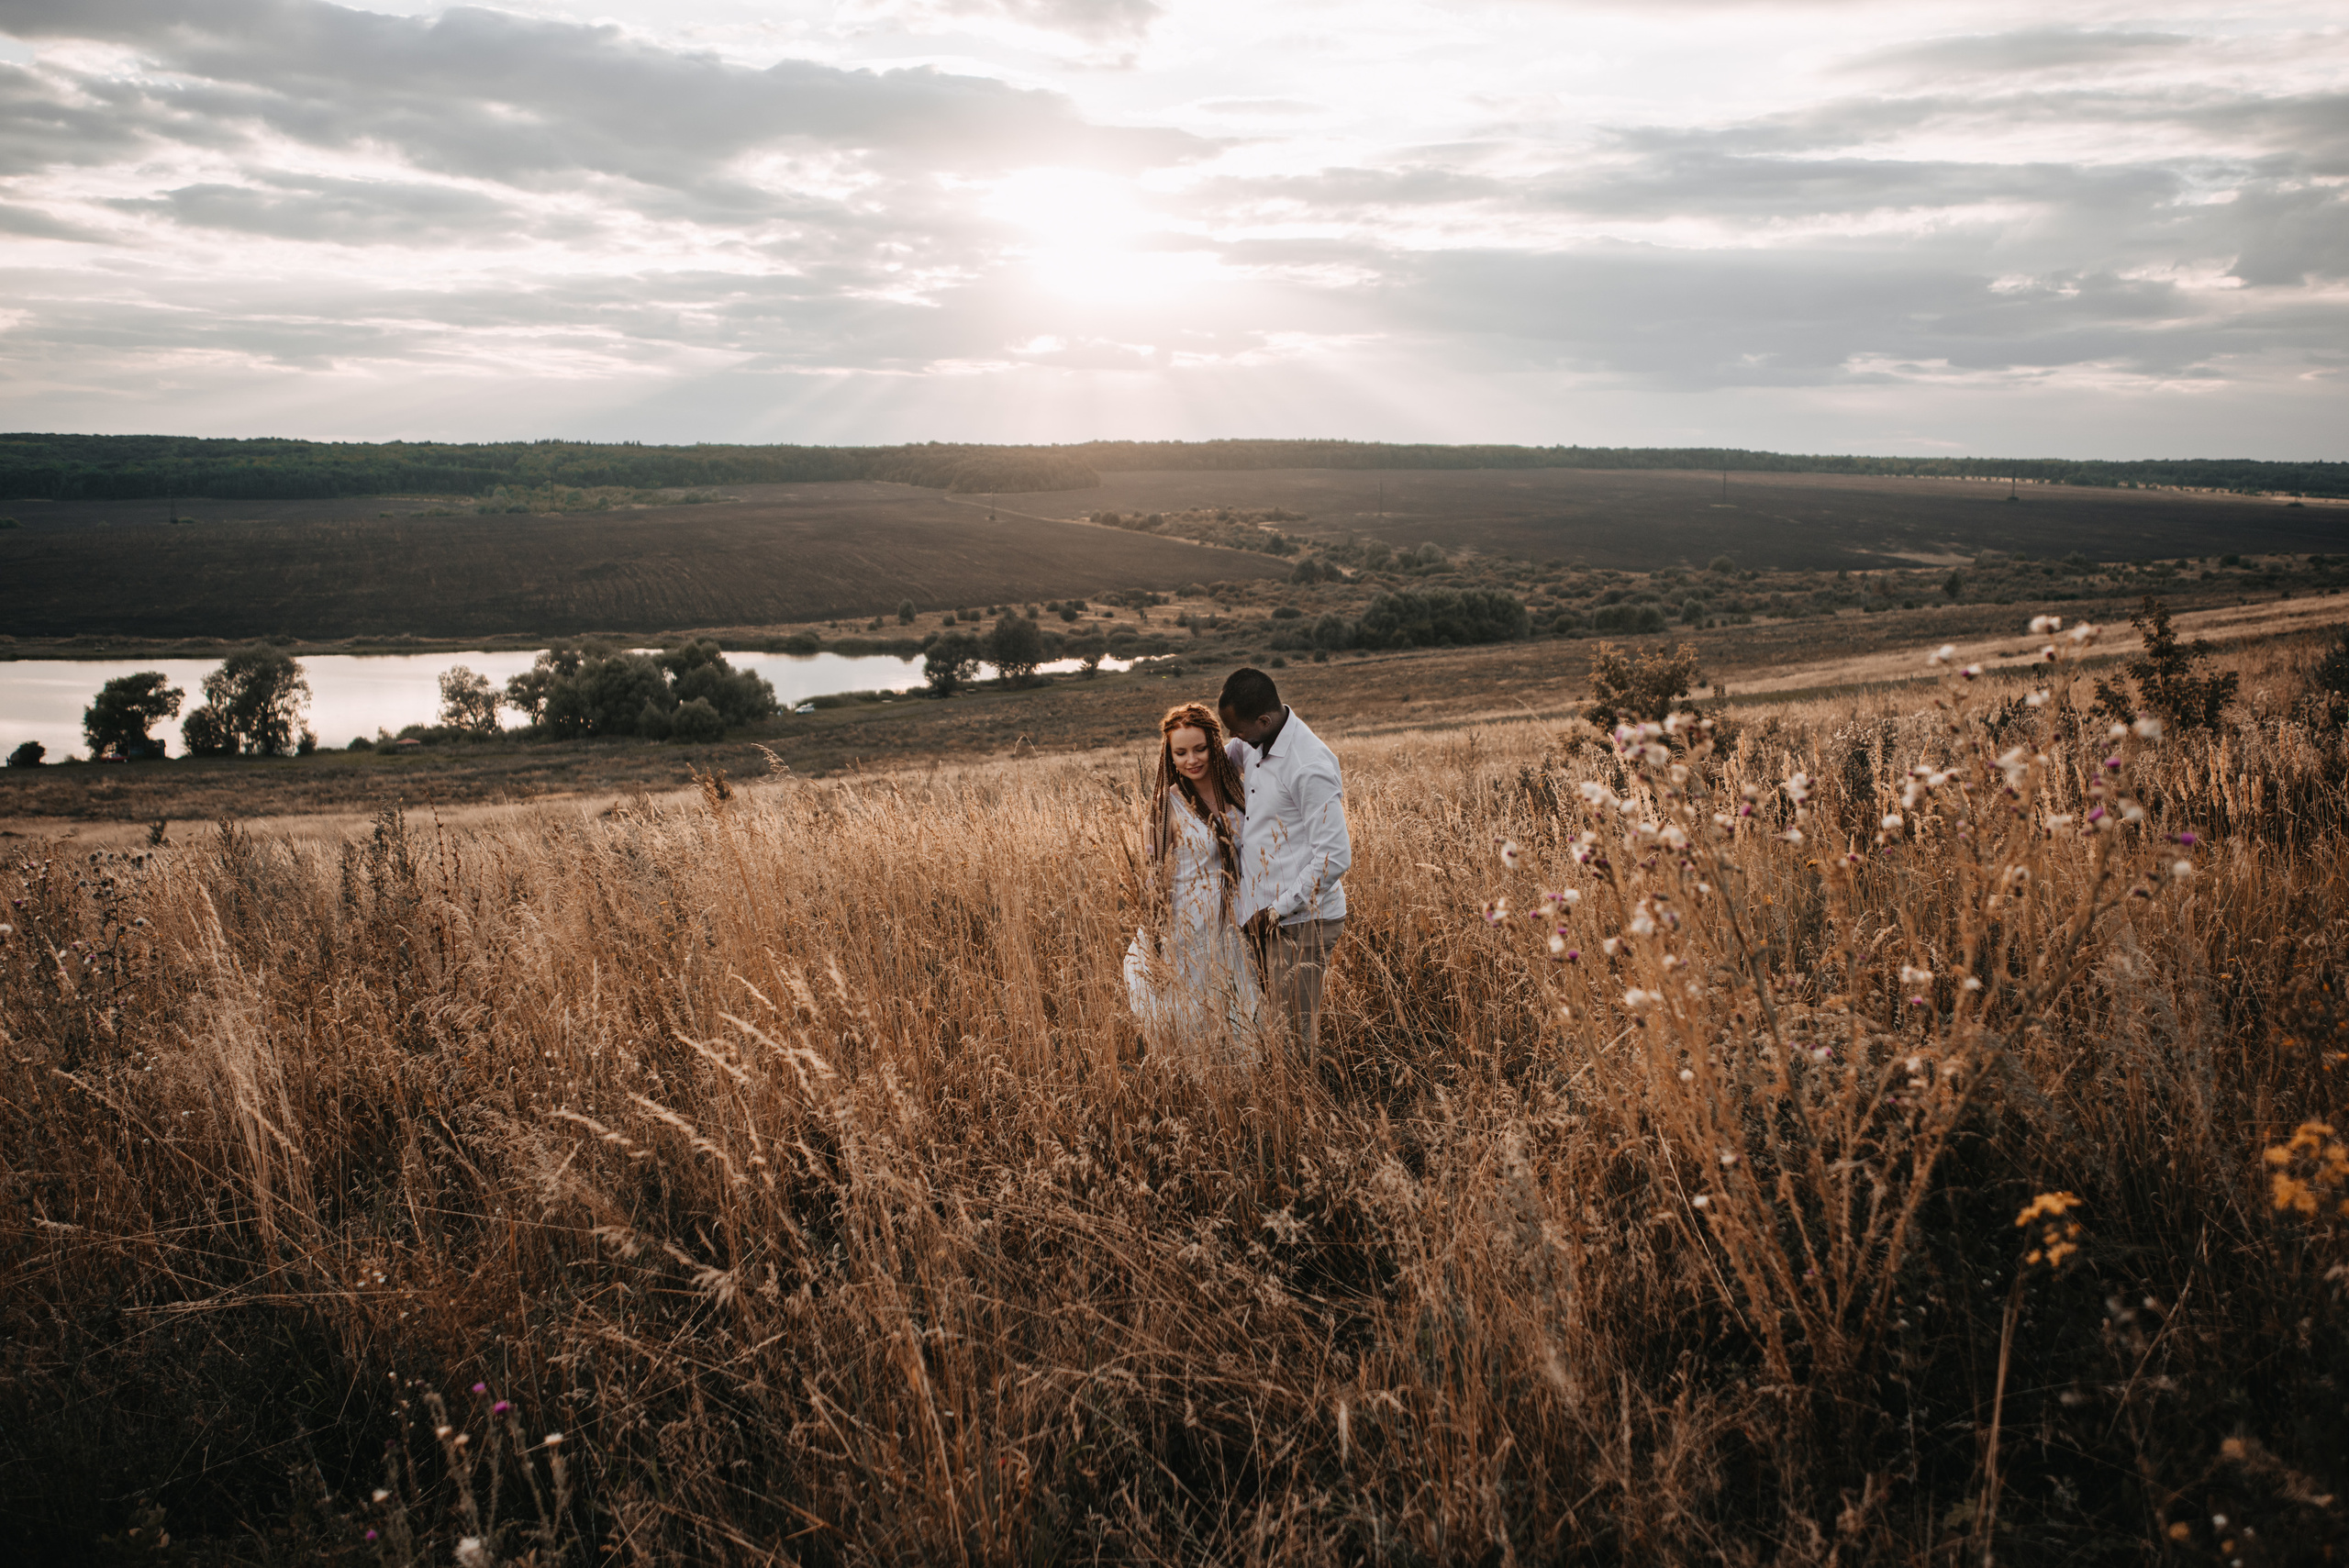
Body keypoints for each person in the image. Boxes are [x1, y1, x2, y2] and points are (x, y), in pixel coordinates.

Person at [1218, 668, 1350, 1063]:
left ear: (1263, 721)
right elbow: (1228, 759)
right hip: (1259, 920)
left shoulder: (1308, 766)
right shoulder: (1255, 741)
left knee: (1294, 1038)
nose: (1233, 740)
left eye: (1237, 731)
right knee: (1269, 1030)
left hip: (1299, 924)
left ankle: (1308, 1116)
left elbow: (1334, 857)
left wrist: (1276, 910)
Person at [1123, 702, 1263, 1072]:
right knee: (1193, 1015)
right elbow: (1152, 881)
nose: (1191, 760)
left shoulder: (1240, 792)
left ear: (1214, 745)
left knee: (1244, 1013)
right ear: (1169, 755)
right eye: (1180, 752)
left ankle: (1247, 1093)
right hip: (1187, 925)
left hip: (1234, 921)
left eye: (1199, 748)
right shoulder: (1166, 806)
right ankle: (1202, 1091)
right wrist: (1156, 941)